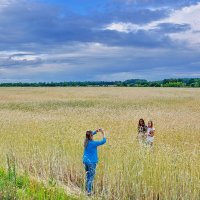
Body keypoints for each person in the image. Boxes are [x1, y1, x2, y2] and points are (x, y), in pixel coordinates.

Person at [83, 128, 106, 196]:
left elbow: (89, 135)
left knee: (87, 176)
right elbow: (103, 141)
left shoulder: (85, 141)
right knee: (91, 177)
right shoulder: (93, 143)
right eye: (92, 135)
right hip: (92, 162)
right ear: (90, 136)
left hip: (85, 161)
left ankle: (87, 189)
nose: (93, 136)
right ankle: (89, 192)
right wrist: (103, 133)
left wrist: (96, 131)